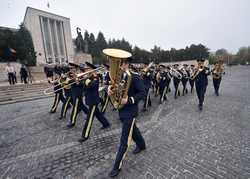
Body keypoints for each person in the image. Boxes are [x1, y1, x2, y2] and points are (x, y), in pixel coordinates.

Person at [106, 54, 146, 178]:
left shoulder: (135, 77)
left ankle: (116, 166)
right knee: (133, 130)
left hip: (130, 111)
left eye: (120, 63)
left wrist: (130, 100)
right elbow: (114, 87)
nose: (118, 66)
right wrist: (109, 89)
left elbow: (142, 93)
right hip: (121, 110)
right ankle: (142, 145)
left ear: (126, 63)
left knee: (124, 140)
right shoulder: (118, 76)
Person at [78, 62, 111, 142]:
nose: (86, 71)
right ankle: (106, 123)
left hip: (93, 100)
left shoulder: (95, 77)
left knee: (89, 118)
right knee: (97, 113)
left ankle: (85, 135)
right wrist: (81, 81)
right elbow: (84, 88)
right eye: (86, 69)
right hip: (90, 99)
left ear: (92, 70)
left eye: (88, 69)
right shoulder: (88, 77)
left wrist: (87, 81)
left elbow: (93, 86)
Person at [66, 63, 89, 128]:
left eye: (72, 68)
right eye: (70, 68)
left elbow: (83, 83)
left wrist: (77, 80)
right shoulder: (69, 75)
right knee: (81, 105)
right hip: (74, 93)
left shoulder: (80, 75)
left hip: (78, 93)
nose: (70, 69)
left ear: (75, 68)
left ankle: (72, 122)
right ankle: (89, 114)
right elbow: (69, 82)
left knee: (75, 107)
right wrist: (70, 79)